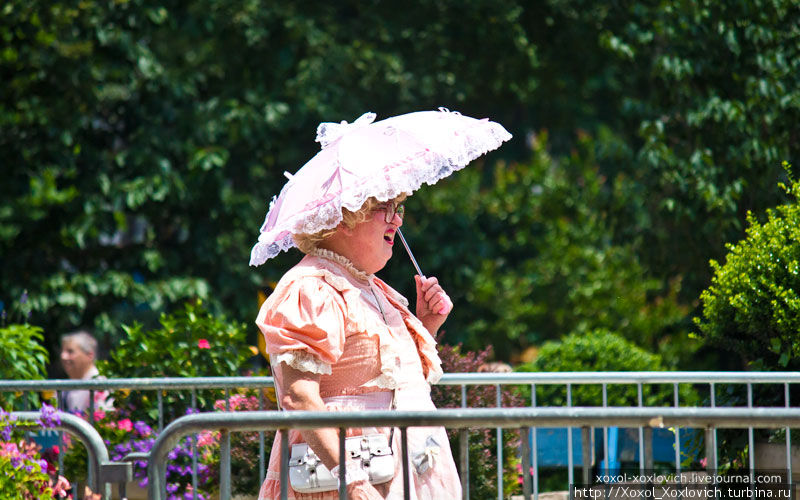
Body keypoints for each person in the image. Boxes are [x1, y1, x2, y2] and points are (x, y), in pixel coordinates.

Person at [256, 196, 461, 500]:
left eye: (398, 209)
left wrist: (426, 324)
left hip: (401, 471)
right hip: (350, 481)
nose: (398, 220)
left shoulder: (369, 287)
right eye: (385, 209)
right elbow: (298, 397)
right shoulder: (313, 287)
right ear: (343, 216)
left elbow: (397, 383)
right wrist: (352, 483)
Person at [60, 330, 112, 414]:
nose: (63, 356)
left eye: (70, 352)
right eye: (62, 351)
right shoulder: (65, 388)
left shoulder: (99, 385)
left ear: (90, 355)